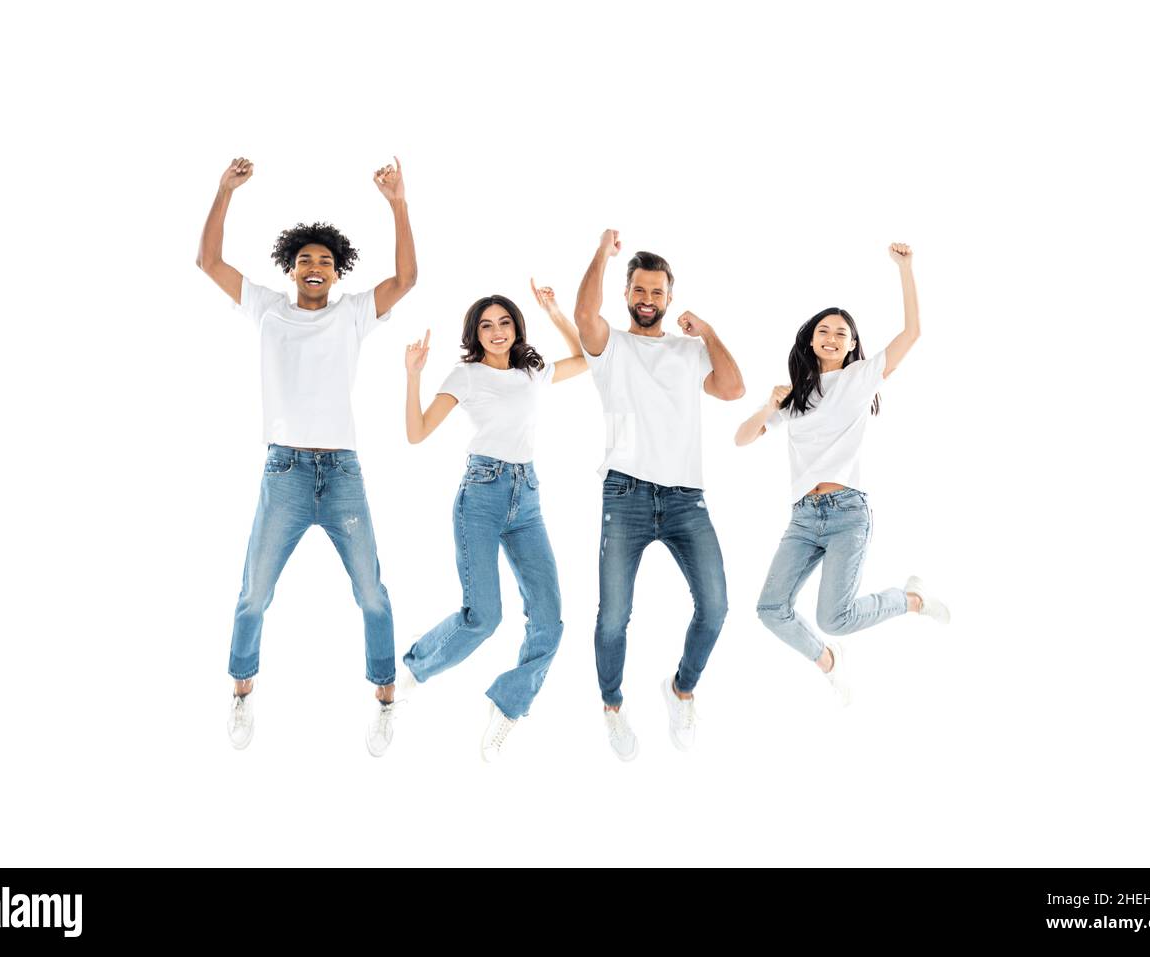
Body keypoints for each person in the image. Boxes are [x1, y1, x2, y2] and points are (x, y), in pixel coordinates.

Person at [195, 155, 417, 753]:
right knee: (255, 591)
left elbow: (406, 279)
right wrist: (224, 191)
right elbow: (208, 262)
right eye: (304, 260)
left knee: (371, 590)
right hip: (286, 471)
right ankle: (241, 695)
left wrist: (397, 203)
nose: (314, 267)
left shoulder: (351, 314)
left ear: (336, 270)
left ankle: (385, 700)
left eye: (324, 260)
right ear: (290, 269)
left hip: (341, 472)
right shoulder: (268, 308)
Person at [735, 243, 950, 707]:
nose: (831, 336)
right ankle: (827, 660)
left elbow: (912, 332)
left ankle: (909, 600)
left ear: (852, 344)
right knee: (769, 609)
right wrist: (769, 405)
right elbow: (742, 438)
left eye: (841, 332)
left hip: (848, 513)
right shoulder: (794, 396)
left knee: (836, 616)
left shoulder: (862, 377)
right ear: (811, 340)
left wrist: (905, 269)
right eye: (823, 330)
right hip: (803, 517)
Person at [573, 230, 746, 760]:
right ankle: (612, 707)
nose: (647, 301)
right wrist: (602, 254)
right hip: (625, 492)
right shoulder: (611, 347)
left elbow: (734, 388)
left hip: (685, 499)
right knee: (612, 616)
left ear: (669, 298)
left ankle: (681, 690)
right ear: (627, 294)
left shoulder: (689, 350)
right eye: (639, 291)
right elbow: (584, 317)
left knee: (715, 607)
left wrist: (710, 332)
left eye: (657, 293)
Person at [399, 281, 586, 761]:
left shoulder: (532, 370)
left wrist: (556, 311)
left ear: (516, 328)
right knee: (483, 617)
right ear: (475, 334)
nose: (497, 332)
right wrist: (412, 375)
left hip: (527, 498)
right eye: (487, 325)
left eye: (505, 323)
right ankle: (414, 670)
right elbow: (417, 433)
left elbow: (585, 358)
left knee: (549, 616)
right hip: (481, 495)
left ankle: (509, 704)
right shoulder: (465, 377)